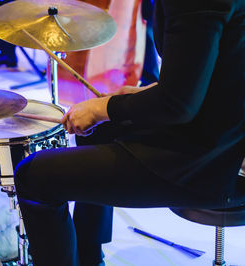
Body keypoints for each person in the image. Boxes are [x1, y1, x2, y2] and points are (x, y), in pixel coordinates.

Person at [14, 0, 245, 265]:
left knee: (33, 176)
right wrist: (143, 95)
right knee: (98, 130)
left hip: (216, 162)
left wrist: (104, 107)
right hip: (219, 128)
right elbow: (217, 72)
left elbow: (178, 105)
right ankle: (90, 256)